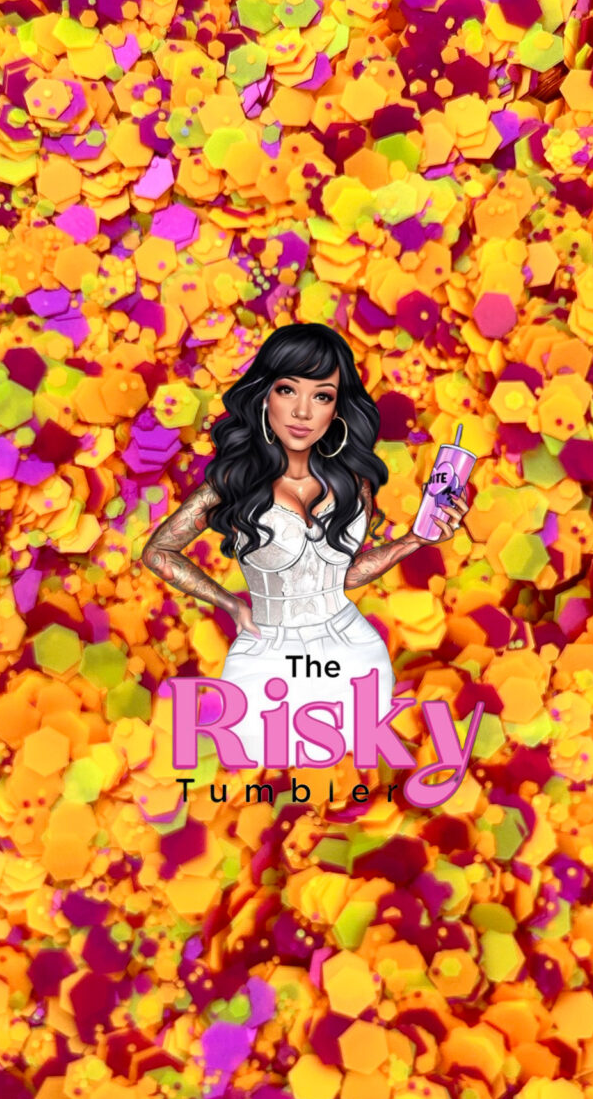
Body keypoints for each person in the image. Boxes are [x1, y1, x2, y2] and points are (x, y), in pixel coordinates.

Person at [141, 322, 469, 767]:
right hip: (267, 653)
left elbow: (343, 577)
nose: (301, 411)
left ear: (337, 409)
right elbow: (158, 551)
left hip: (351, 649)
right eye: (287, 390)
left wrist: (414, 540)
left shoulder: (353, 483)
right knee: (265, 771)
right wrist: (230, 603)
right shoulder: (236, 480)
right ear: (264, 396)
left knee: (343, 775)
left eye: (322, 396)